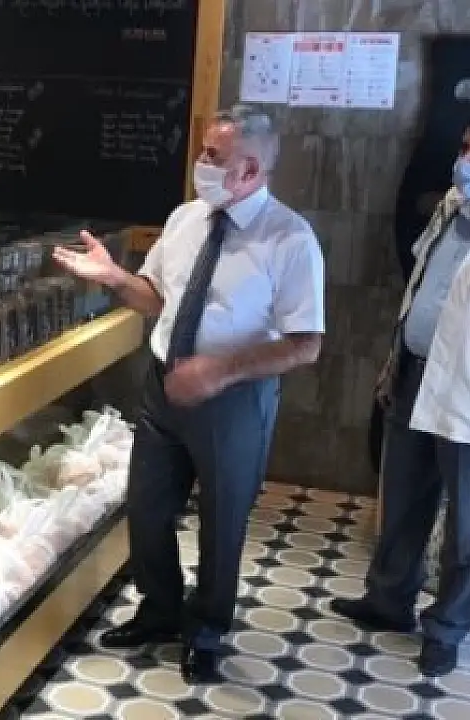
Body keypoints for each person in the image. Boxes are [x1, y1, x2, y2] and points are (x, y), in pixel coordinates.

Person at [52, 104, 325, 683]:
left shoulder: (290, 238)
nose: (199, 163)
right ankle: (159, 610)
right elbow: (158, 299)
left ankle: (206, 629)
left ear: (249, 169)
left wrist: (220, 371)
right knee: (147, 508)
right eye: (203, 149)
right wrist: (114, 278)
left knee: (222, 521)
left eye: (212, 155)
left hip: (234, 401)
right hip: (163, 386)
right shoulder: (184, 219)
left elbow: (305, 345)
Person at [331, 114, 470, 676]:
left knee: (467, 523)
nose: (465, 163)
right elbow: (419, 286)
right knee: (403, 494)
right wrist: (394, 359)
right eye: (465, 149)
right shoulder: (451, 208)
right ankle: (388, 599)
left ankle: (447, 628)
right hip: (414, 370)